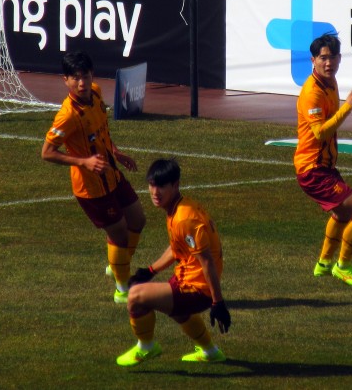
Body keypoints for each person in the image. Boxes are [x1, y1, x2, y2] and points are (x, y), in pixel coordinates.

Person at [41, 51, 146, 304]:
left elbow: (102, 131)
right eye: (75, 78)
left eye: (85, 76)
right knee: (119, 234)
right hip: (91, 188)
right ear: (65, 80)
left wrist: (117, 153)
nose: (82, 83)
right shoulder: (67, 116)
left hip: (111, 172)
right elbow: (46, 153)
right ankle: (122, 288)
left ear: (92, 75)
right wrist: (83, 161)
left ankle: (117, 264)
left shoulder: (97, 92)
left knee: (138, 219)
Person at [117, 158, 230, 367]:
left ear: (175, 185)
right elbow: (177, 248)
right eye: (151, 185)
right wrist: (151, 270)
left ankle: (146, 347)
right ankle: (210, 351)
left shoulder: (185, 218)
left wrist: (218, 303)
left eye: (161, 186)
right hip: (188, 280)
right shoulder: (179, 208)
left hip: (198, 289)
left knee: (135, 297)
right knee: (178, 312)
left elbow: (207, 262)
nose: (154, 192)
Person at [296, 32, 352, 287]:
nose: (329, 63)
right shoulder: (312, 93)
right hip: (313, 169)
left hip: (324, 167)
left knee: (340, 213)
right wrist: (347, 107)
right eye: (323, 58)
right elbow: (320, 132)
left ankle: (324, 264)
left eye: (333, 58)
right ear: (313, 60)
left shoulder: (331, 81)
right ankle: (343, 266)